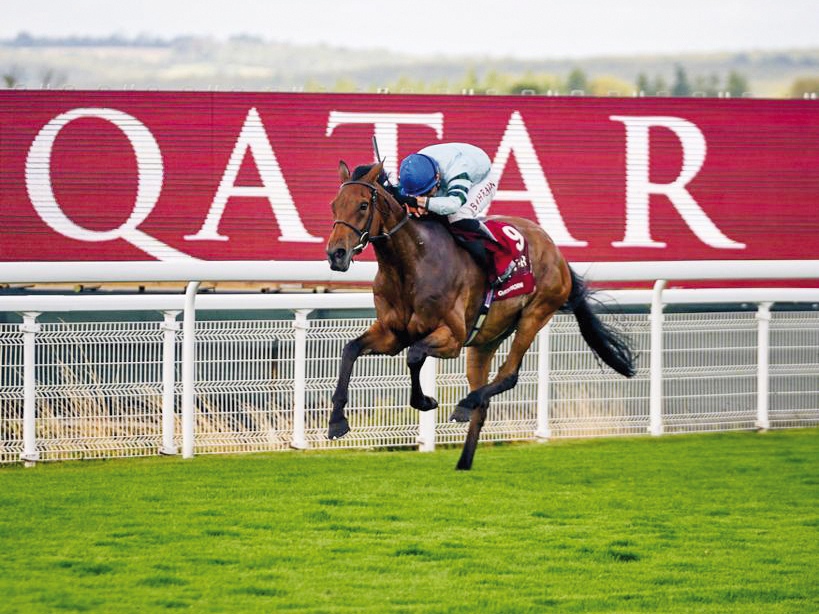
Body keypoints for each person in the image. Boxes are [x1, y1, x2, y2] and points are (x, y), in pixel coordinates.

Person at [398, 143, 513, 285]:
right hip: (446, 175)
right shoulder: (413, 172)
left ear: (438, 177)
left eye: (427, 192)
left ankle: (500, 259)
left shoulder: (458, 169)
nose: (424, 196)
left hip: (481, 180)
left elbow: (454, 204)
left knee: (459, 216)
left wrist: (422, 202)